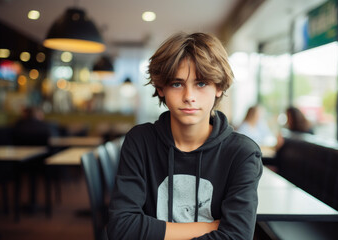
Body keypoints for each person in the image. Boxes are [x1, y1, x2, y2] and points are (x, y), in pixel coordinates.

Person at [107, 32, 263, 240]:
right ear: (161, 88)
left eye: (201, 83)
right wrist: (210, 227)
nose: (189, 97)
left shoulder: (242, 153)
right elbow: (121, 228)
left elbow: (237, 236)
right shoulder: (140, 141)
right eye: (177, 84)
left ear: (218, 87)